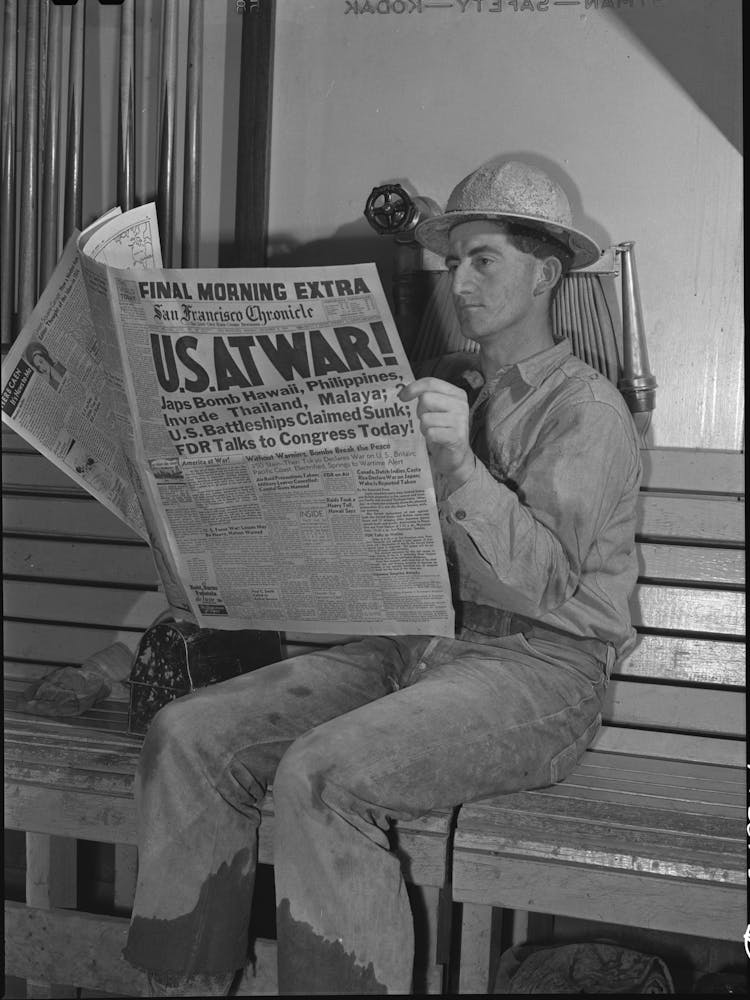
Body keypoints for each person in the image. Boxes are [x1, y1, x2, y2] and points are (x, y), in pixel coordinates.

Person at [122, 158, 641, 996]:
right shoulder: (450, 385)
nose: (461, 281)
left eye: (485, 259)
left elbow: (547, 584)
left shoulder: (585, 410)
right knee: (187, 736)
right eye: (454, 262)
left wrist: (461, 465)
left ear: (545, 275)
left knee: (322, 775)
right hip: (418, 646)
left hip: (542, 672)